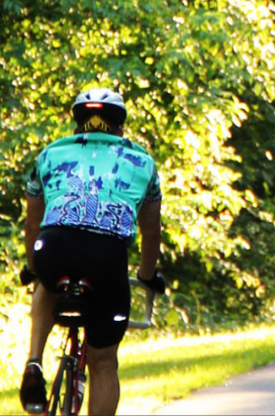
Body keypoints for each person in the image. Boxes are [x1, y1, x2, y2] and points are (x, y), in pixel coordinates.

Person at [19, 88, 166, 415]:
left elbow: (32, 225)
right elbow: (151, 230)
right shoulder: (142, 161)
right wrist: (145, 275)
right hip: (105, 255)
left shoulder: (50, 154)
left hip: (52, 246)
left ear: (77, 124)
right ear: (120, 127)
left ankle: (34, 361)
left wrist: (33, 265)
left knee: (45, 279)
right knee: (103, 362)